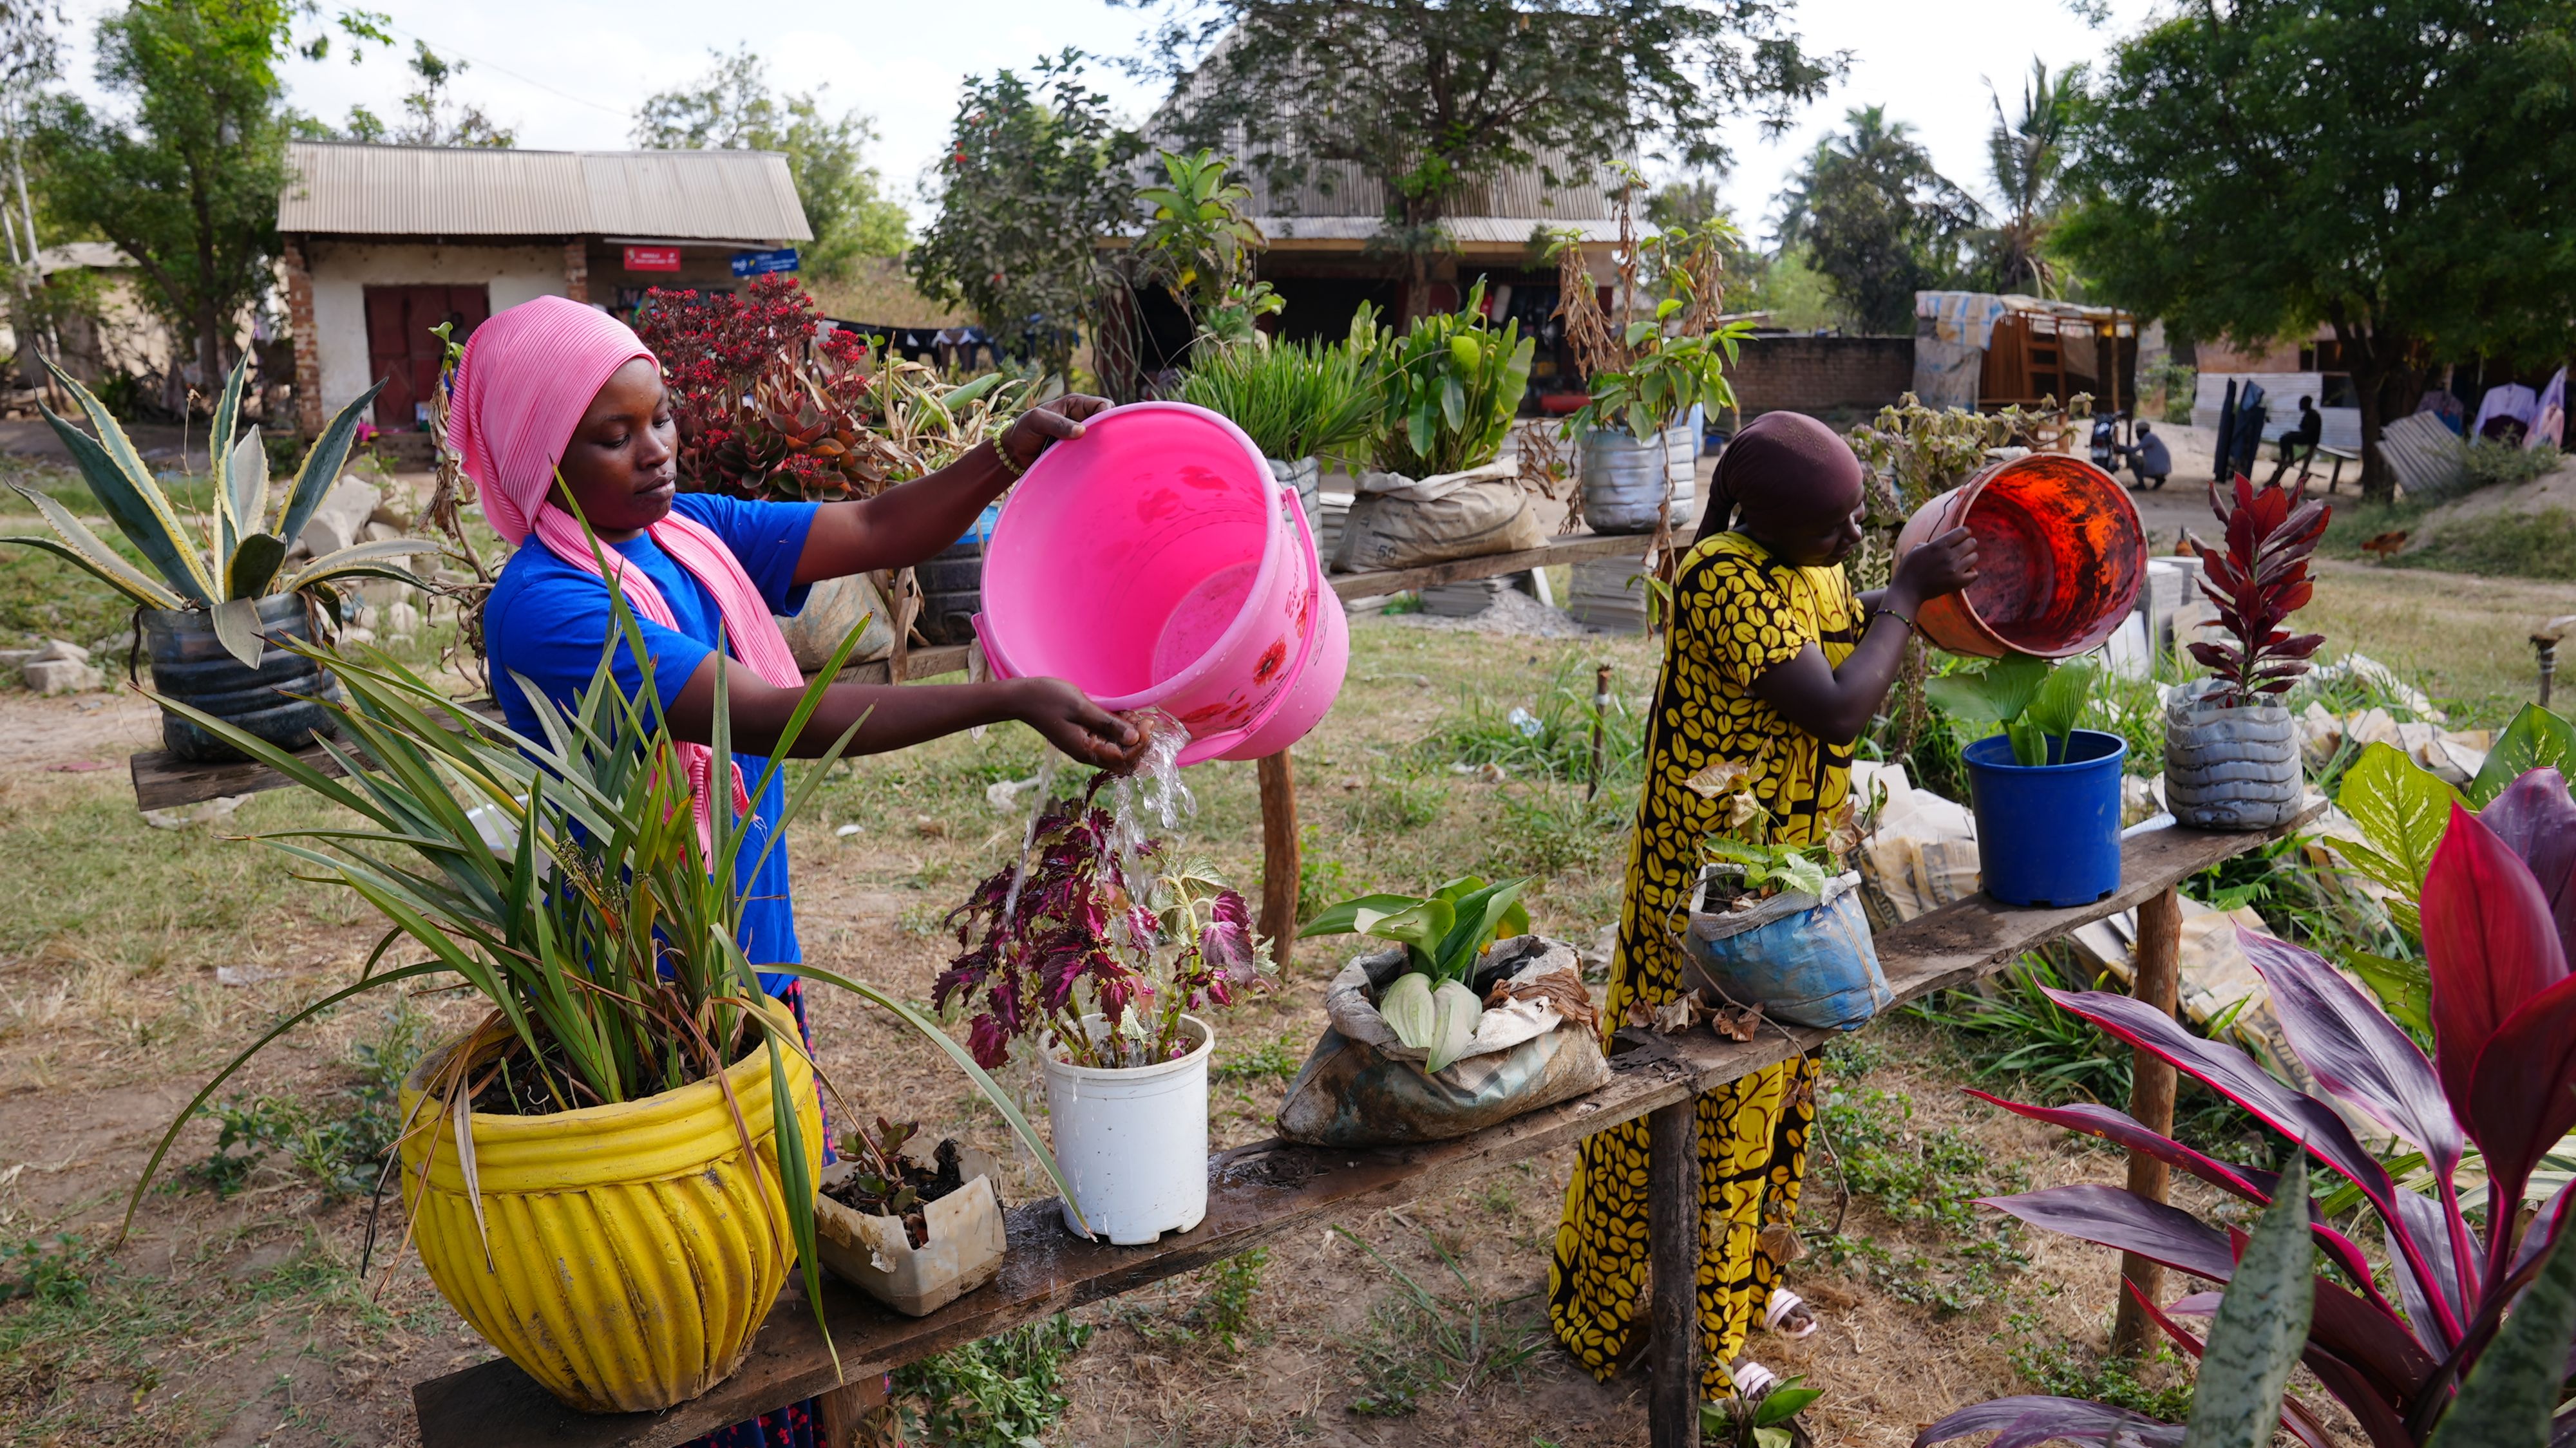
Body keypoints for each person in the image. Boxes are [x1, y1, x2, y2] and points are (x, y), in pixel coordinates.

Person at [452, 296, 1144, 1448]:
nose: (657, 446)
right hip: (651, 972)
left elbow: (874, 525)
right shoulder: (549, 607)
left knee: (770, 1188)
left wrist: (1009, 449)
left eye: (660, 415)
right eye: (611, 434)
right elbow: (771, 714)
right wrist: (1010, 693)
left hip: (745, 928)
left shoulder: (682, 539)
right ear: (539, 456)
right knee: (698, 1224)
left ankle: (803, 1408)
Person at [1549, 411, 1978, 1406]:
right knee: (1697, 1104)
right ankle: (1678, 1331)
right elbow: (1835, 705)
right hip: (1706, 898)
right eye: (1837, 523)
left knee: (1778, 1087)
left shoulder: (1801, 564)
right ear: (1764, 517)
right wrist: (1907, 599)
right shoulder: (1722, 578)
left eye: (1861, 514)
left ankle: (1741, 1284)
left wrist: (1889, 597)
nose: (1855, 537)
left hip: (1782, 882)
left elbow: (1834, 619)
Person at [2267, 394, 2322, 484]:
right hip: (2306, 436)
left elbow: (2309, 431)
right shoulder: (2307, 414)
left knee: (2287, 439)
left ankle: (2290, 459)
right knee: (2284, 438)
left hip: (2311, 439)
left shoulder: (2313, 415)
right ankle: (2284, 458)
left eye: (2302, 403)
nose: (2300, 405)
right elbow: (2302, 428)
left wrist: (2295, 434)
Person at [2118, 421, 2172, 490]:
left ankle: (2141, 485)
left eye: (2138, 432)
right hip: (2161, 468)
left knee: (2133, 459)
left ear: (2143, 431)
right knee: (2137, 458)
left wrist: (2121, 448)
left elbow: (2135, 449)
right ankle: (2159, 479)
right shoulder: (2152, 437)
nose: (2137, 435)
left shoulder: (2149, 437)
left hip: (2158, 469)